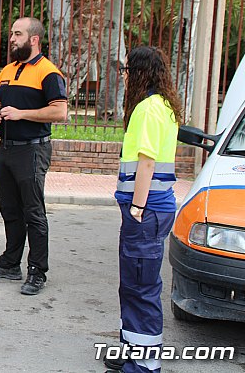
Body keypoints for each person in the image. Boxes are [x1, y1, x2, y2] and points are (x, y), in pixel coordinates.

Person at [104, 46, 182, 373]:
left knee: (141, 286)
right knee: (134, 284)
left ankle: (145, 364)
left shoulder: (148, 109)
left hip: (145, 210)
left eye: (127, 70)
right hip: (155, 208)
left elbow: (146, 161)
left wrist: (137, 205)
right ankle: (132, 349)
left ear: (139, 73)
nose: (123, 76)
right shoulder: (162, 105)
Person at [0, 17, 67, 296]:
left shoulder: (48, 72)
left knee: (33, 212)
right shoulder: (7, 70)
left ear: (34, 39)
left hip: (32, 149)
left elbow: (60, 112)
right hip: (6, 148)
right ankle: (10, 264)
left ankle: (37, 271)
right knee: (10, 209)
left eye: (18, 34)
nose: (12, 38)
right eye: (12, 33)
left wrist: (21, 114)